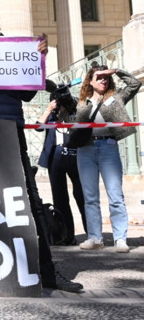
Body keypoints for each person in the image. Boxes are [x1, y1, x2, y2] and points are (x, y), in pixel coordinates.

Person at [0, 0, 82, 293]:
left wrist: (37, 58)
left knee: (29, 201)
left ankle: (47, 272)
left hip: (11, 130)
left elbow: (26, 94)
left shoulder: (14, 49)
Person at [65, 65, 140, 253]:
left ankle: (120, 239)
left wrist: (116, 71)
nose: (103, 80)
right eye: (99, 77)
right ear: (90, 81)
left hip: (108, 147)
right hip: (86, 150)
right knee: (90, 197)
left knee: (115, 196)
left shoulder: (115, 98)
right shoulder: (82, 102)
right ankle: (95, 238)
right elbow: (68, 119)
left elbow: (134, 84)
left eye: (106, 78)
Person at [37, 100, 86, 246]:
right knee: (60, 198)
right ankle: (66, 235)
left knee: (81, 195)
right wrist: (49, 108)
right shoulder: (51, 115)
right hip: (55, 156)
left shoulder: (75, 113)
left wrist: (73, 107)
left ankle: (93, 234)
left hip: (75, 154)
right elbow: (38, 127)